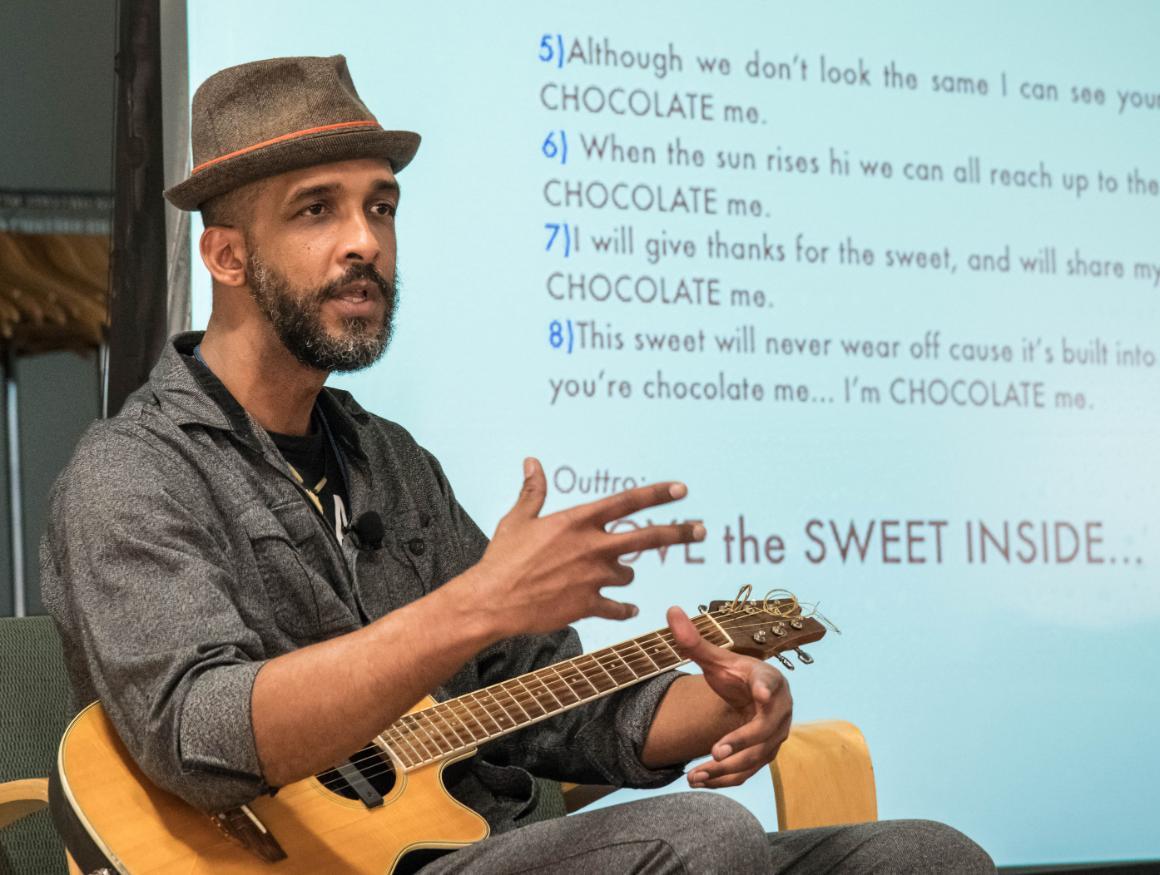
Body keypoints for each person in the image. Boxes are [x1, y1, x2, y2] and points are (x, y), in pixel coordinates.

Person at [41, 55, 993, 872]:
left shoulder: (391, 462)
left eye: (381, 206)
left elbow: (553, 705)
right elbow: (200, 733)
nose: (366, 240)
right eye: (316, 211)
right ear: (228, 256)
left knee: (925, 855)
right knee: (701, 841)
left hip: (478, 841)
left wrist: (717, 701)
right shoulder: (132, 473)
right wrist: (479, 602)